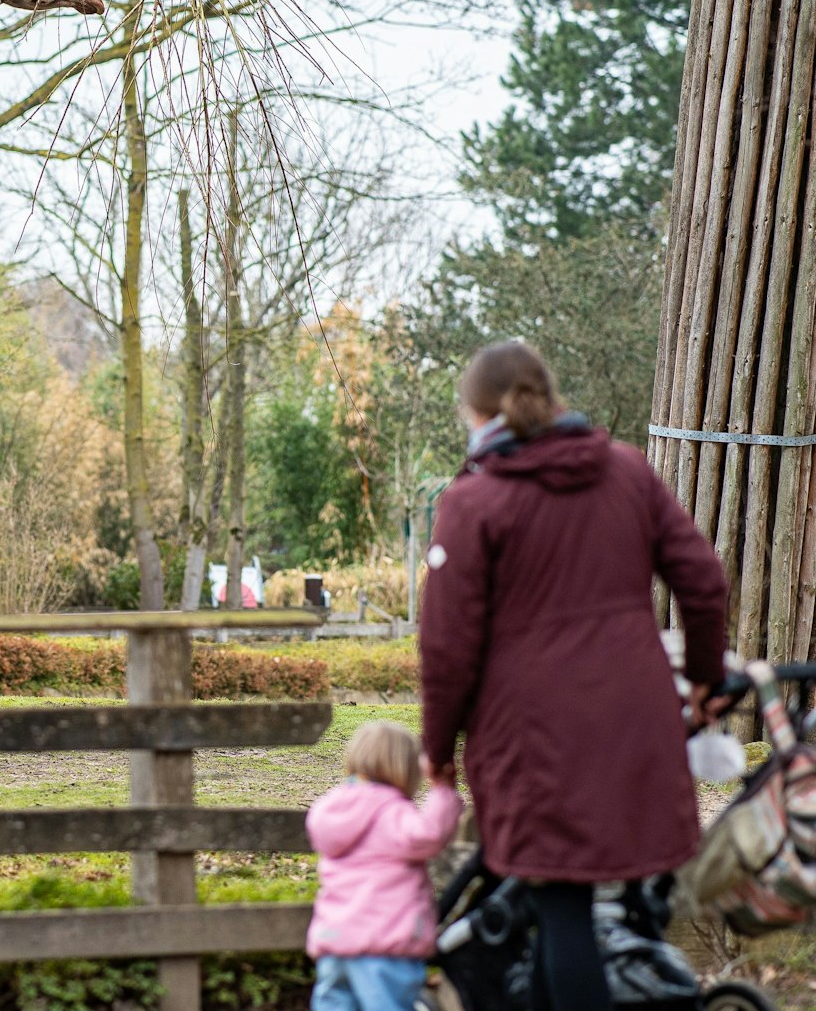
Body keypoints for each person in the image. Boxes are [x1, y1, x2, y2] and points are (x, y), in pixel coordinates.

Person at [419, 341, 729, 1011]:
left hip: (536, 737)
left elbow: (446, 648)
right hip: (638, 723)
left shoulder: (475, 502)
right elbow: (704, 581)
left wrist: (438, 749)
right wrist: (705, 679)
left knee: (562, 908)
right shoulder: (627, 473)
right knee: (635, 895)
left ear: (479, 415)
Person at [306, 720, 463, 1011]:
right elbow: (429, 835)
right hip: (383, 946)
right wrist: (442, 790)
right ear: (404, 769)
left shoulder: (331, 808)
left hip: (335, 944)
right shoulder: (391, 813)